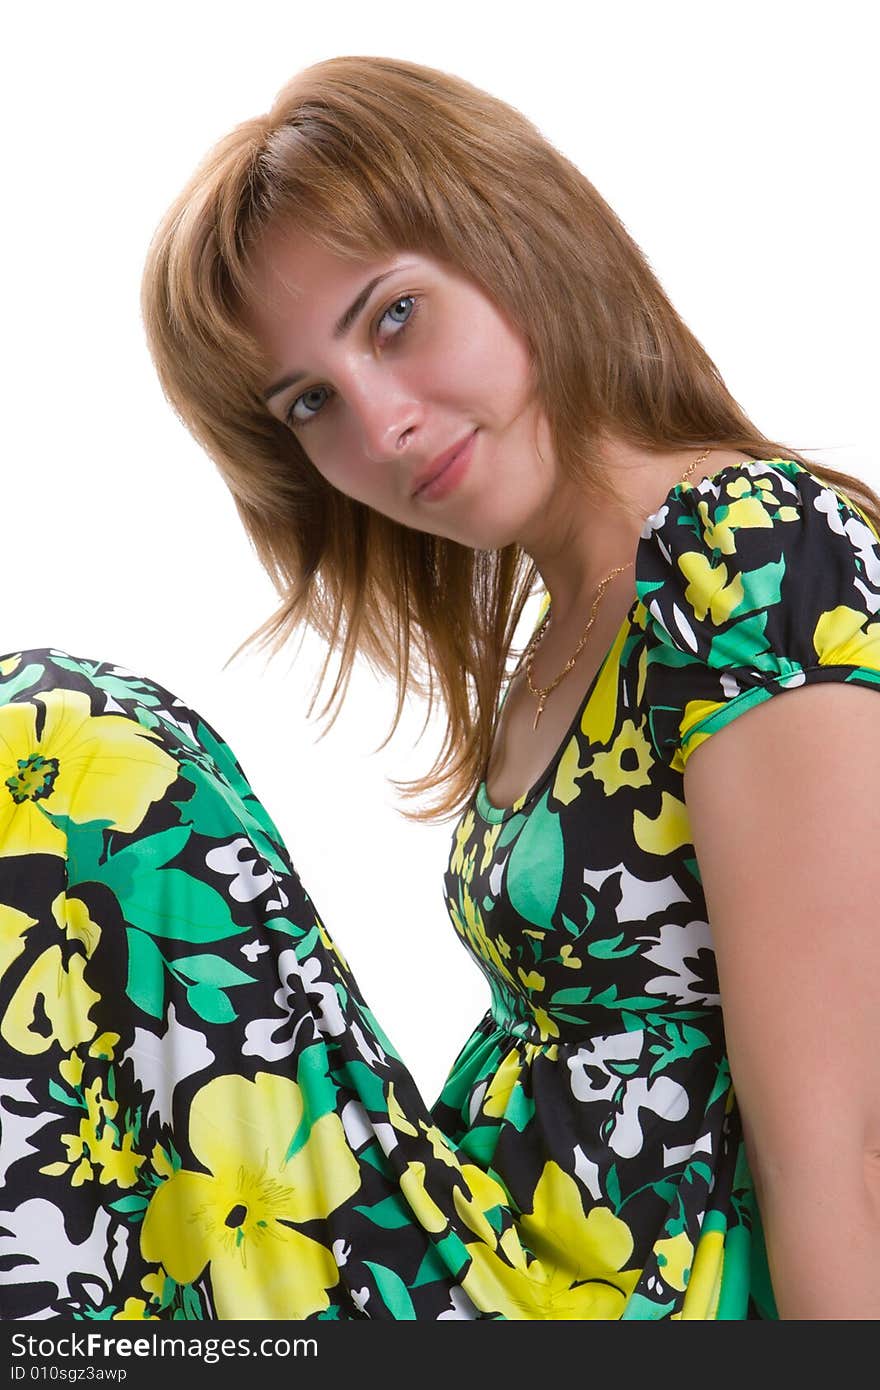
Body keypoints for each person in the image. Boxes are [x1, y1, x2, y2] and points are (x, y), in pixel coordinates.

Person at [2, 55, 880, 1323]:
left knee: (54, 740)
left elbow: (843, 1149)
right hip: (476, 1247)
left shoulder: (753, 554)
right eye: (311, 401)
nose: (380, 426)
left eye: (394, 317)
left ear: (514, 231)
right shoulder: (567, 625)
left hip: (593, 1310)